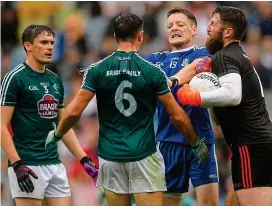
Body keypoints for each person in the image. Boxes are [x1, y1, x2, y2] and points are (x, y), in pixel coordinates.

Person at [45, 13, 209, 206]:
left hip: (110, 157)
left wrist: (57, 133)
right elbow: (176, 115)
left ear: (115, 37)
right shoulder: (152, 72)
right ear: (140, 36)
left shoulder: (97, 70)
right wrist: (196, 142)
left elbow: (73, 112)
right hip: (144, 156)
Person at [177, 6, 272, 206]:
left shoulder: (225, 55)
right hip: (253, 147)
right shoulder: (235, 54)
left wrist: (196, 97)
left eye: (213, 23)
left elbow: (232, 95)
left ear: (227, 32)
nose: (208, 28)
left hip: (251, 148)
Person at [1, 24, 98, 206]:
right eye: (44, 42)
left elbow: (62, 125)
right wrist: (17, 164)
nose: (50, 47)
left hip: (54, 163)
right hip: (27, 164)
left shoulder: (55, 80)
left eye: (52, 43)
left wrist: (83, 158)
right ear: (28, 46)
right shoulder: (14, 78)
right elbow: (1, 126)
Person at [144, 8, 218, 206]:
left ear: (194, 30)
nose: (174, 28)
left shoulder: (202, 53)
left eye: (180, 24)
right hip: (168, 143)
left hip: (201, 141)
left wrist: (171, 81)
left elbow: (197, 67)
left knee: (209, 203)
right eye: (169, 26)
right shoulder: (156, 60)